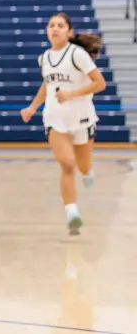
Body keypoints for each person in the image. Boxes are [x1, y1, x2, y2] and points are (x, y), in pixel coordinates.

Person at [21, 12, 106, 234]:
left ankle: (88, 173)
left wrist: (73, 94)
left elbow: (100, 83)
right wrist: (32, 107)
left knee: (83, 165)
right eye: (51, 25)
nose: (55, 29)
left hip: (82, 118)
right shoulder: (44, 58)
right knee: (67, 164)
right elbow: (46, 85)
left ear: (69, 32)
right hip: (55, 118)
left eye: (60, 25)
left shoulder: (77, 55)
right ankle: (72, 213)